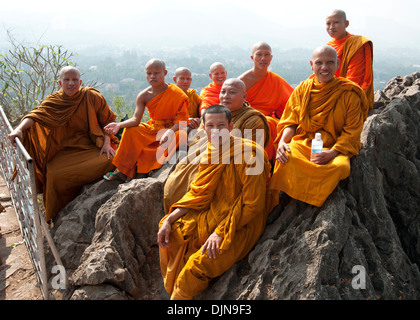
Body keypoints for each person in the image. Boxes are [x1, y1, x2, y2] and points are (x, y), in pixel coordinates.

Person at [158, 104, 271, 300]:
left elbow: (254, 204)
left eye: (221, 125)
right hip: (213, 211)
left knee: (197, 265)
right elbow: (198, 192)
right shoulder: (211, 150)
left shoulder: (252, 154)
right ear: (203, 128)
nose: (216, 131)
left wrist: (220, 232)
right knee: (171, 230)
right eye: (210, 126)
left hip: (241, 221)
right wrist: (169, 218)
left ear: (231, 126)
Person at [8, 66, 118, 222]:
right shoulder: (55, 101)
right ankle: (55, 215)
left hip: (89, 148)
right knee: (53, 174)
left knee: (111, 159)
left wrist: (107, 143)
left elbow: (109, 120)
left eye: (74, 80)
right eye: (67, 80)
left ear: (80, 82)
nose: (71, 83)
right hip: (63, 151)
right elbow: (34, 115)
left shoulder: (91, 96)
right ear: (60, 82)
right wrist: (19, 129)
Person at [267, 45, 369, 212]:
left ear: (337, 63)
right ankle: (294, 202)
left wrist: (332, 153)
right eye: (319, 63)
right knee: (287, 157)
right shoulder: (303, 89)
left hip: (334, 146)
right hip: (305, 142)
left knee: (340, 167)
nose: (324, 67)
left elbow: (352, 131)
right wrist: (283, 142)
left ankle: (314, 201)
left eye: (330, 62)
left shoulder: (349, 93)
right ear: (311, 65)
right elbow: (290, 122)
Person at [163, 78, 270, 214]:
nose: (225, 96)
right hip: (202, 160)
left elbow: (252, 158)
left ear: (244, 96)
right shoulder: (214, 114)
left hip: (229, 173)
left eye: (232, 92)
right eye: (223, 92)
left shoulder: (254, 121)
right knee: (174, 185)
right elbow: (198, 141)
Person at [103, 59, 189, 181]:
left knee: (180, 135)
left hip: (173, 128)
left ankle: (144, 170)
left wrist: (170, 131)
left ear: (164, 73)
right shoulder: (144, 95)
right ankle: (123, 170)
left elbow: (183, 120)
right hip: (153, 129)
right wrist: (119, 125)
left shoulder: (176, 93)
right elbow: (135, 120)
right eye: (149, 73)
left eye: (156, 73)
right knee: (131, 130)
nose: (152, 76)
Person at [239, 41, 294, 162]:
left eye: (267, 54)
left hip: (268, 119)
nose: (263, 58)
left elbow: (291, 103)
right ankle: (261, 163)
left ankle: (267, 165)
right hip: (246, 119)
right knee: (264, 123)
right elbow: (232, 105)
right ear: (252, 57)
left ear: (271, 57)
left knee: (269, 123)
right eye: (259, 54)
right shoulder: (242, 81)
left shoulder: (276, 81)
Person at [325, 9, 374, 109]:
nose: (331, 27)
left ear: (346, 24)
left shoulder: (357, 44)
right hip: (328, 92)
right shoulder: (328, 47)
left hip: (349, 95)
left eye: (336, 22)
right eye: (328, 23)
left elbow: (354, 80)